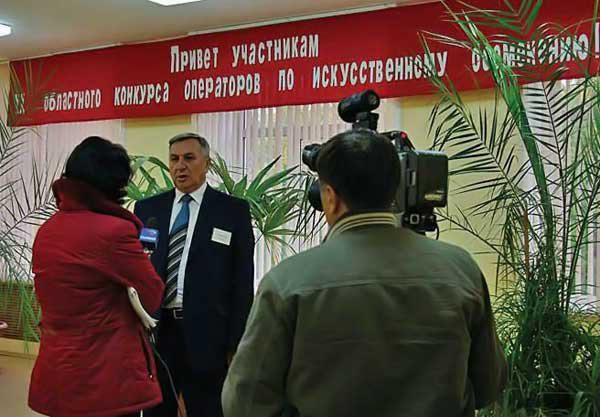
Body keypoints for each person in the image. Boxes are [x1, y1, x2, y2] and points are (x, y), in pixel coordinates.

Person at [222, 129, 508, 417]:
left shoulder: (287, 282)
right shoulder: (461, 269)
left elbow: (244, 404)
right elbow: (488, 385)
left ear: (330, 198)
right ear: (394, 189)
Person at [29, 136, 165, 417]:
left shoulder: (47, 230)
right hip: (105, 379)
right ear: (113, 184)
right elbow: (152, 296)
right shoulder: (115, 231)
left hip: (58, 370)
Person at [134, 132, 255, 417]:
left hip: (209, 334)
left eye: (189, 158)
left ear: (207, 163)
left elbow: (242, 281)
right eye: (174, 159)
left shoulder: (232, 211)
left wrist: (236, 341)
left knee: (208, 409)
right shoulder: (149, 209)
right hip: (159, 331)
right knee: (156, 410)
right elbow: (140, 268)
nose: (180, 166)